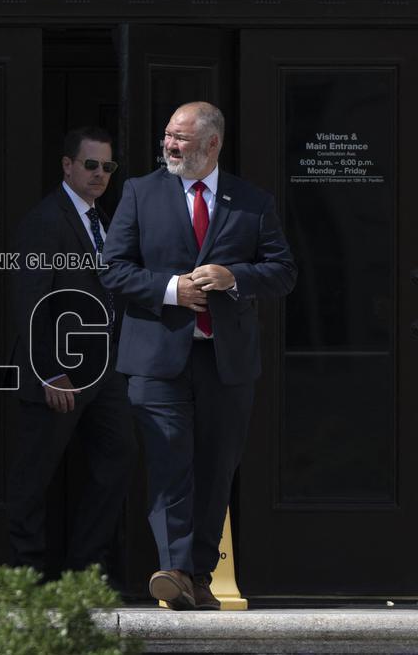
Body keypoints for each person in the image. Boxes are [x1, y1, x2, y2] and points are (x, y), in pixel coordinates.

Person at [102, 101, 296, 610]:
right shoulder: (140, 193)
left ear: (212, 144)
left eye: (181, 138)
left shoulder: (251, 201)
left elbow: (283, 270)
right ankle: (173, 567)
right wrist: (171, 289)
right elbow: (113, 269)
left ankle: (198, 575)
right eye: (167, 134)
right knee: (169, 463)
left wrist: (236, 277)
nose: (169, 144)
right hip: (157, 360)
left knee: (215, 469)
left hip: (224, 362)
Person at [7, 127, 136, 583]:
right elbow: (30, 300)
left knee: (116, 461)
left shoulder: (105, 218)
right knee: (35, 475)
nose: (100, 174)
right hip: (60, 372)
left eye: (107, 167)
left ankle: (85, 569)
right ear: (67, 165)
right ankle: (26, 574)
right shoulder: (45, 219)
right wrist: (49, 371)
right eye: (90, 165)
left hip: (107, 371)